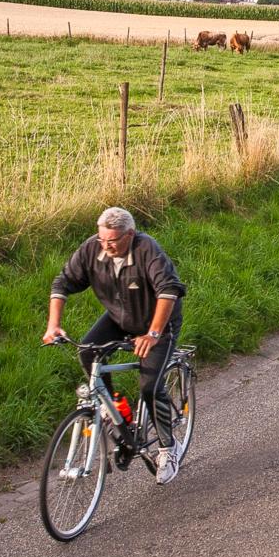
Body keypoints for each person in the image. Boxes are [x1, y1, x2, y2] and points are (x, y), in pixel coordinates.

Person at [44, 207, 187, 483]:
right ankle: (115, 411)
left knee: (149, 387)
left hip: (158, 323)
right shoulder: (92, 249)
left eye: (113, 241)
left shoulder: (147, 250)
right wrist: (54, 325)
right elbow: (62, 283)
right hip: (120, 317)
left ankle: (169, 449)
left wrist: (153, 335)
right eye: (102, 240)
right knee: (87, 351)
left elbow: (168, 291)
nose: (106, 246)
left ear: (129, 235)